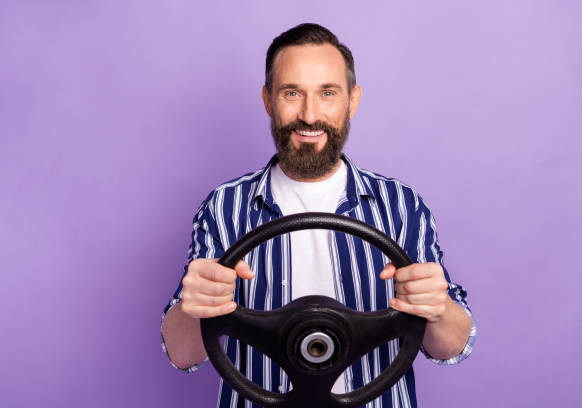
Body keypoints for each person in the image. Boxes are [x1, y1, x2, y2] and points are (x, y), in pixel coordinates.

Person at [161, 23, 476, 408]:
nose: (310, 115)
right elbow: (183, 353)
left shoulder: (402, 205)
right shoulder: (224, 208)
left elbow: (452, 347)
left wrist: (438, 306)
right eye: (292, 93)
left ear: (352, 101)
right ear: (268, 100)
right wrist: (194, 307)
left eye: (328, 93)